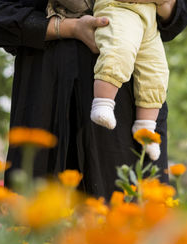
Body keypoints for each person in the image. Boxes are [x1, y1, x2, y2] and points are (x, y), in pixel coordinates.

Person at [0, 0, 187, 200]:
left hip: (129, 99)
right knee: (40, 212)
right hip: (47, 88)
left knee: (130, 214)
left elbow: (179, 16)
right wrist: (69, 28)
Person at [47, 0, 170, 161]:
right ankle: (103, 103)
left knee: (157, 71)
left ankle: (146, 127)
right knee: (119, 51)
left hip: (150, 17)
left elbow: (179, 14)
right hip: (120, 7)